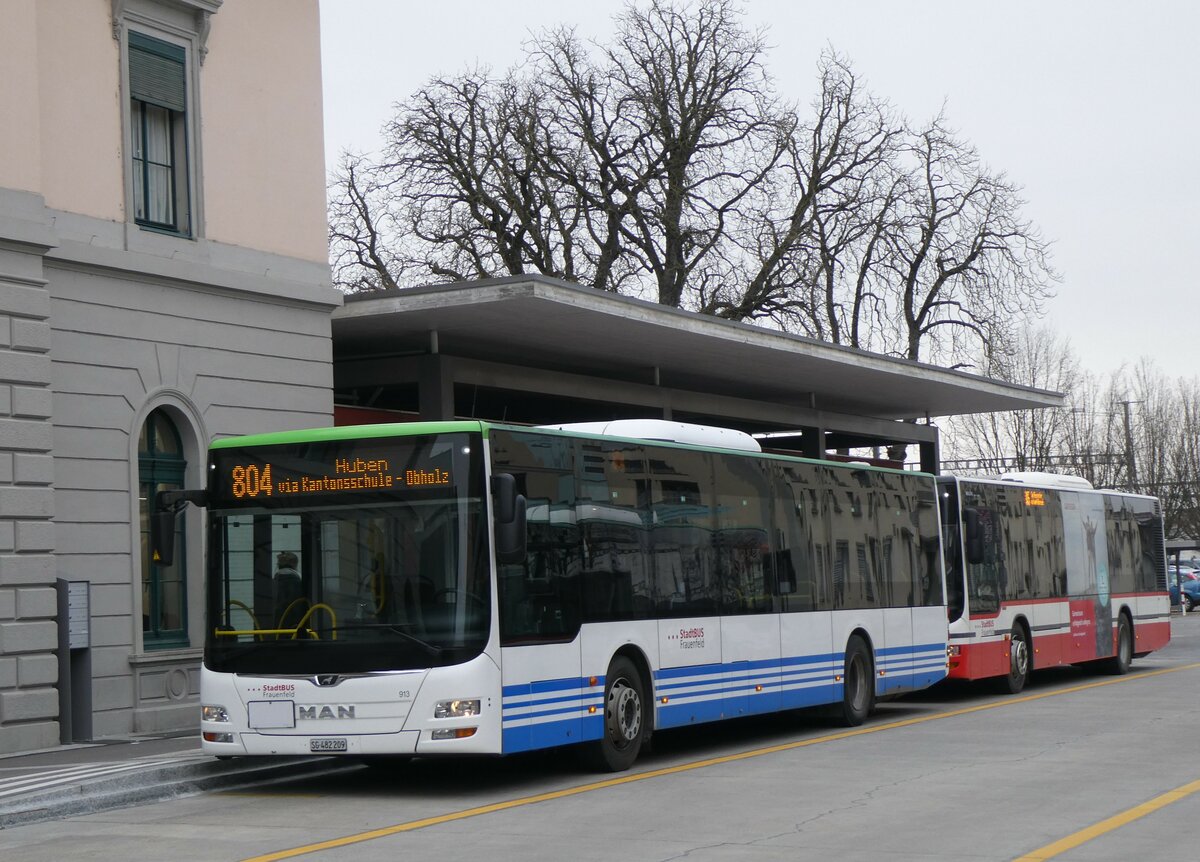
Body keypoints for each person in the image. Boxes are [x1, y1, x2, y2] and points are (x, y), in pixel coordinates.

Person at [274, 551, 303, 624]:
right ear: (295, 565)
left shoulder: (272, 582)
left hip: (275, 624)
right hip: (295, 624)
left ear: (278, 565)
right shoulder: (299, 582)